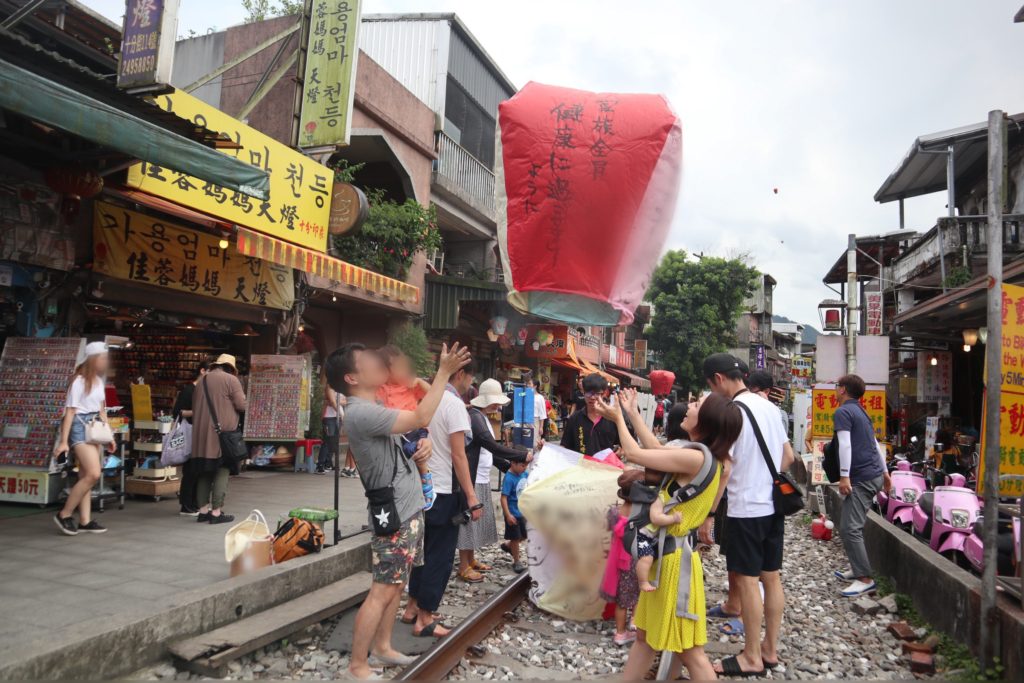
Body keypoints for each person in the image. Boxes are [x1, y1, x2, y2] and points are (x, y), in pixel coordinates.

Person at [325, 341, 470, 680]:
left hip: (407, 505)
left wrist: (421, 446)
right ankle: (357, 665)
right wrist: (443, 374)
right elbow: (421, 416)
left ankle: (384, 646)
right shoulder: (362, 411)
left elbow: (404, 439)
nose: (378, 363)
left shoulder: (373, 404)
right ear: (351, 376)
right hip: (394, 510)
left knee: (397, 584)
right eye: (367, 361)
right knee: (383, 589)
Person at [594, 388, 742, 681]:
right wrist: (632, 414)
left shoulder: (698, 460)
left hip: (673, 566)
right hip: (667, 558)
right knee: (646, 638)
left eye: (697, 404)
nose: (688, 407)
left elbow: (637, 454)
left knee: (691, 652)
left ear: (707, 420)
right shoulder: (701, 455)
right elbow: (656, 452)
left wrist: (618, 418)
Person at [701, 353, 793, 677]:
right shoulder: (770, 408)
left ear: (718, 379)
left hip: (745, 509)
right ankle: (769, 649)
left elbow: (725, 469)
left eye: (712, 385)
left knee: (747, 580)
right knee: (772, 577)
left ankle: (751, 657)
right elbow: (788, 456)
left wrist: (709, 514)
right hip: (772, 505)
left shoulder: (733, 412)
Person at [401, 357, 482, 638]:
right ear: (460, 373)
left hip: (416, 488)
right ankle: (425, 617)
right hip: (444, 490)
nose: (471, 385)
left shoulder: (420, 400)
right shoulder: (453, 405)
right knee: (439, 556)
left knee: (420, 553)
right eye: (471, 378)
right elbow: (459, 456)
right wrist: (472, 498)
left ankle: (411, 607)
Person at [457, 378, 529, 583]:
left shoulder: (481, 417)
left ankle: (470, 560)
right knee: (469, 521)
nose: (498, 406)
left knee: (474, 522)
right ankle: (463, 565)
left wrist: (507, 467)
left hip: (480, 477)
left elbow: (489, 451)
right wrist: (519, 457)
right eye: (496, 401)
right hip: (473, 478)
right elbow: (492, 446)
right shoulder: (476, 417)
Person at [833, 374, 890, 597]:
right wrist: (885, 472)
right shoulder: (862, 411)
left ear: (843, 389)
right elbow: (874, 444)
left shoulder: (844, 412)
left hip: (861, 477)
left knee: (850, 527)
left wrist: (845, 477)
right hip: (873, 473)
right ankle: (857, 568)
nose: (835, 389)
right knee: (850, 523)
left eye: (837, 386)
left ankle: (865, 578)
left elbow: (845, 445)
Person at [53, 342, 113, 535]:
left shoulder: (98, 381)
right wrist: (64, 442)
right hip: (80, 428)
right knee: (93, 474)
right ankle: (65, 513)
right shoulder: (78, 381)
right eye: (103, 357)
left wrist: (109, 435)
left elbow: (102, 411)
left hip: (95, 428)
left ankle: (85, 521)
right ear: (94, 359)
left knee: (86, 475)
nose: (105, 361)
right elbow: (69, 413)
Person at [190, 354, 247, 525]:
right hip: (221, 435)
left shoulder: (201, 381)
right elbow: (242, 405)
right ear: (230, 368)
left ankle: (202, 511)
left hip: (200, 435)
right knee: (223, 470)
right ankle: (216, 512)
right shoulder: (230, 380)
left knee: (205, 472)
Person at [377, 346, 436, 510]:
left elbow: (434, 394)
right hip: (395, 434)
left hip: (414, 430)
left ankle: (427, 481)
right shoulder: (380, 388)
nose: (404, 371)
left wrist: (419, 382)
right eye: (399, 367)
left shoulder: (410, 386)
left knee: (416, 453)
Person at [600, 469, 643, 646]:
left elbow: (610, 529)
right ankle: (634, 621)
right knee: (639, 595)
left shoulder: (614, 513)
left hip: (619, 562)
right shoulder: (643, 515)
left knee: (621, 601)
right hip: (639, 561)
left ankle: (620, 634)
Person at [173, 361, 210, 515]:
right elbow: (177, 412)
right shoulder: (190, 390)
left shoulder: (202, 390)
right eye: (209, 371)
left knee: (196, 470)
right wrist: (198, 412)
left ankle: (193, 503)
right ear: (202, 371)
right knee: (190, 470)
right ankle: (186, 505)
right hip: (189, 433)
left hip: (198, 433)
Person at [560, 373, 621, 455]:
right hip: (581, 466)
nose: (592, 397)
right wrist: (546, 450)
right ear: (583, 393)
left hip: (604, 466)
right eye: (589, 393)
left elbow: (623, 445)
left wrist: (621, 451)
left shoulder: (612, 418)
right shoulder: (574, 418)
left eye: (596, 393)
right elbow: (564, 445)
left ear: (603, 394)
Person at [500, 458, 529, 573]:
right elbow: (503, 498)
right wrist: (508, 515)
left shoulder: (524, 474)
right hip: (513, 514)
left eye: (526, 466)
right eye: (522, 465)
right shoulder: (509, 478)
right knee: (516, 538)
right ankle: (516, 561)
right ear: (513, 463)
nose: (524, 468)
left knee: (525, 534)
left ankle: (508, 545)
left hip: (523, 512)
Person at [317, 376, 342, 475]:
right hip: (329, 417)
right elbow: (332, 402)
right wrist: (338, 409)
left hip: (338, 417)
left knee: (334, 441)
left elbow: (345, 401)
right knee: (327, 441)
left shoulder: (341, 388)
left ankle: (329, 463)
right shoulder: (330, 386)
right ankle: (320, 465)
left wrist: (337, 403)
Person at [528, 377, 546, 448]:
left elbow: (542, 413)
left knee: (535, 442)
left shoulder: (540, 397)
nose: (528, 385)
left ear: (535, 386)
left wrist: (541, 427)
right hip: (526, 420)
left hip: (535, 420)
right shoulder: (525, 394)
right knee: (526, 441)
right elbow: (518, 395)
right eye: (528, 383)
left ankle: (536, 457)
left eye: (530, 384)